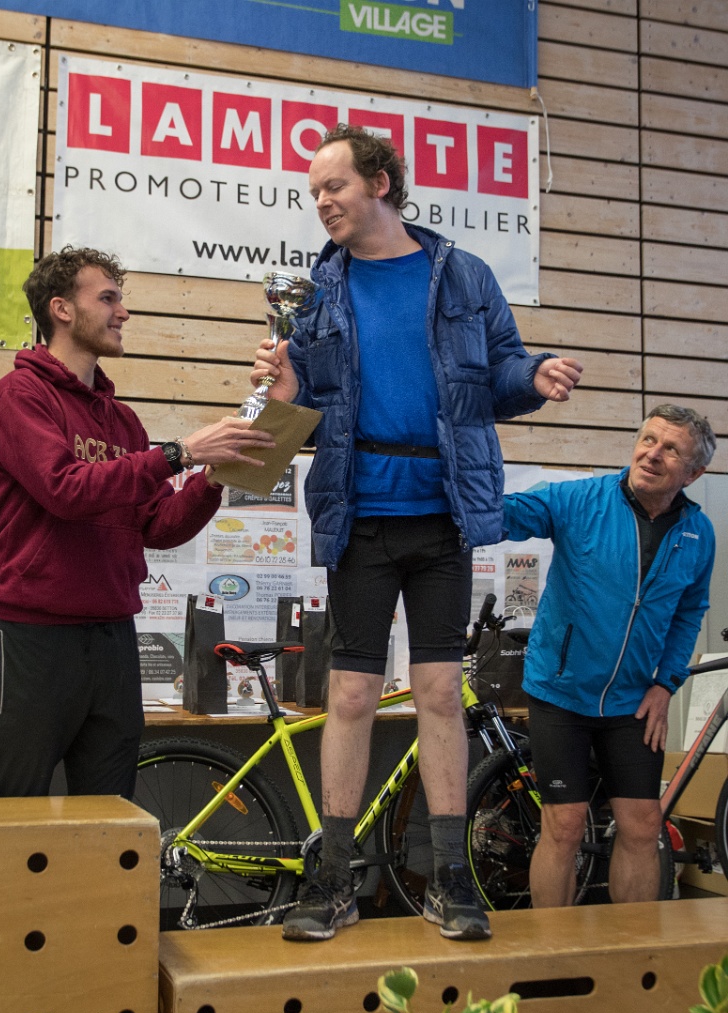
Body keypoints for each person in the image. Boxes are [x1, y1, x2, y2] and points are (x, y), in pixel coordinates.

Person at [250, 124, 583, 941]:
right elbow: (306, 405)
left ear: (381, 183)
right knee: (351, 694)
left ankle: (451, 879)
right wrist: (285, 388)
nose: (321, 201)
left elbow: (500, 369)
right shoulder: (316, 292)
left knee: (438, 692)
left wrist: (534, 375)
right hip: (358, 513)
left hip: (444, 513)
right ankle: (332, 879)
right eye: (313, 191)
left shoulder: (462, 274)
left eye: (333, 185)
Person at [0, 245, 275, 800]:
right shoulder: (19, 395)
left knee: (109, 813)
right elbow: (64, 490)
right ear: (62, 309)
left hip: (114, 640)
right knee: (13, 814)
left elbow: (160, 527)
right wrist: (178, 454)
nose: (124, 312)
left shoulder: (123, 421)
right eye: (108, 298)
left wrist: (211, 478)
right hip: (33, 640)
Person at [503, 405, 716, 907]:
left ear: (693, 474)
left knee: (642, 825)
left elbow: (689, 612)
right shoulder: (582, 500)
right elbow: (509, 514)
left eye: (671, 449)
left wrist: (666, 683)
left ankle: (631, 945)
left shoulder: (698, 532)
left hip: (633, 702)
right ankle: (552, 945)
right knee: (564, 825)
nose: (652, 454)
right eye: (648, 440)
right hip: (561, 693)